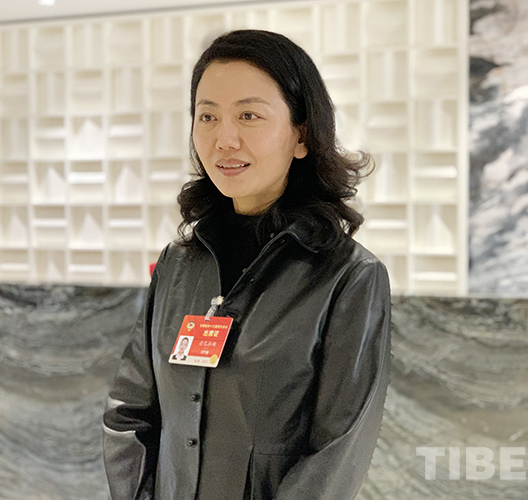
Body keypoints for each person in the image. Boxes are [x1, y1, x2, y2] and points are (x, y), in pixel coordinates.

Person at [103, 29, 391, 500]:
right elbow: (128, 412)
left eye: (249, 115)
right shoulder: (179, 264)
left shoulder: (348, 277)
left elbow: (336, 457)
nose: (224, 139)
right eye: (207, 116)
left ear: (301, 135)